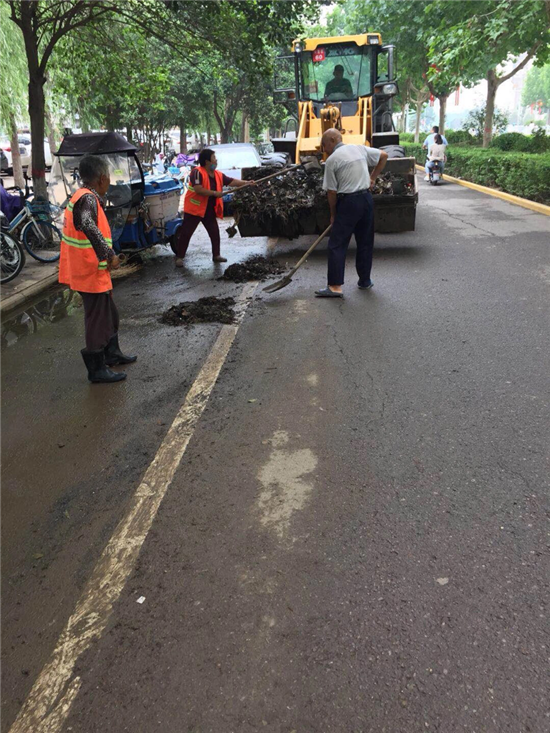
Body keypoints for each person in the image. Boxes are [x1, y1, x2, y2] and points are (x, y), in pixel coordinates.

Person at [58, 154, 136, 384]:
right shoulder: (88, 199)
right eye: (109, 177)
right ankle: (97, 369)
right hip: (89, 271)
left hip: (92, 269)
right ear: (102, 178)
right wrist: (109, 255)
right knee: (97, 320)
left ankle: (112, 353)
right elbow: (87, 225)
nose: (109, 181)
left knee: (109, 314)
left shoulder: (84, 196)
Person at [315, 129, 388, 299]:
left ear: (332, 140)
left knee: (337, 243)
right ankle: (365, 281)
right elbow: (384, 155)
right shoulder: (358, 148)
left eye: (324, 145)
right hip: (366, 200)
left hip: (348, 202)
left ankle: (335, 286)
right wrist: (372, 178)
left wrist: (333, 214)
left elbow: (331, 192)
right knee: (365, 242)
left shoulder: (332, 160)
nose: (324, 150)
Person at [174, 148, 253, 266]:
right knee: (186, 233)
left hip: (208, 209)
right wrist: (215, 193)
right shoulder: (196, 172)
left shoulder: (217, 174)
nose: (216, 160)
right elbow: (198, 189)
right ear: (207, 161)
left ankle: (216, 255)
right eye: (214, 158)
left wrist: (246, 183)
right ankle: (179, 257)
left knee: (214, 232)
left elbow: (231, 181)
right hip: (194, 209)